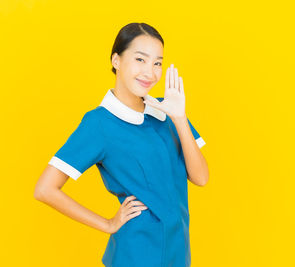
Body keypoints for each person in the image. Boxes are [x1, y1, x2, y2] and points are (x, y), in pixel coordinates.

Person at [34, 22, 209, 267]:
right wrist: (107, 224)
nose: (150, 72)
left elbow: (200, 177)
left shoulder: (166, 109)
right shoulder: (99, 123)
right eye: (140, 59)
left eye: (157, 63)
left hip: (177, 251)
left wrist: (180, 118)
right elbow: (45, 189)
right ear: (116, 60)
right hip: (136, 254)